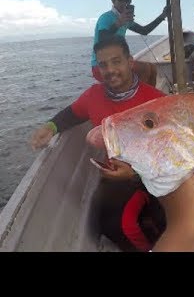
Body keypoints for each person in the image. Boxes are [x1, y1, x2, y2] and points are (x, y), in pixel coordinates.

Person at [30, 35, 167, 251]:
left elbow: (169, 156)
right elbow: (71, 114)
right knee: (110, 222)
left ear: (130, 62)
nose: (110, 70)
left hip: (155, 175)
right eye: (103, 64)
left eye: (116, 61)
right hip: (116, 176)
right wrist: (50, 127)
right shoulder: (94, 95)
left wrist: (134, 174)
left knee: (163, 220)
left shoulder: (157, 101)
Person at [91, 0, 170, 87]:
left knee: (152, 69)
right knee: (145, 71)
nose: (124, 3)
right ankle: (138, 99)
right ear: (113, 1)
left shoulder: (126, 19)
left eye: (127, 0)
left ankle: (147, 100)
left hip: (118, 61)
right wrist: (118, 23)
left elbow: (144, 30)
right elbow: (102, 39)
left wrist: (162, 15)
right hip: (101, 66)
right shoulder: (106, 17)